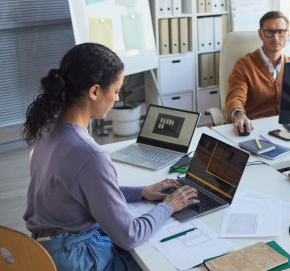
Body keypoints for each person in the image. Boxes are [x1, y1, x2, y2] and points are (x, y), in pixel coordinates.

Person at [22, 43, 199, 271]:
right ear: (94, 91)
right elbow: (129, 236)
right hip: (77, 259)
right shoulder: (90, 154)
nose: (117, 98)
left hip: (46, 251)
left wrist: (142, 192)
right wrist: (169, 206)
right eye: (116, 91)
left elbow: (88, 192)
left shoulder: (48, 130)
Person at [225, 11, 290, 136]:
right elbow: (235, 97)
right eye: (269, 32)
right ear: (260, 34)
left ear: (288, 34)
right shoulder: (243, 65)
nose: (275, 38)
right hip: (255, 130)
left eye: (281, 32)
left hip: (286, 130)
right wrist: (240, 116)